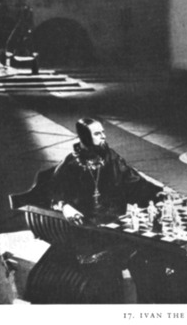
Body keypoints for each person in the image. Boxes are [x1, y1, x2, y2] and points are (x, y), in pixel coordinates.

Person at [46, 118, 164, 302]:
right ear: (84, 137)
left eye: (103, 132)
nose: (103, 136)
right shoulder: (70, 164)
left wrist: (158, 194)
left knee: (152, 254)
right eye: (97, 133)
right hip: (87, 231)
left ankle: (149, 303)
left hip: (116, 226)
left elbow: (134, 182)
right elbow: (55, 193)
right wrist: (66, 206)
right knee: (112, 270)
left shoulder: (111, 157)